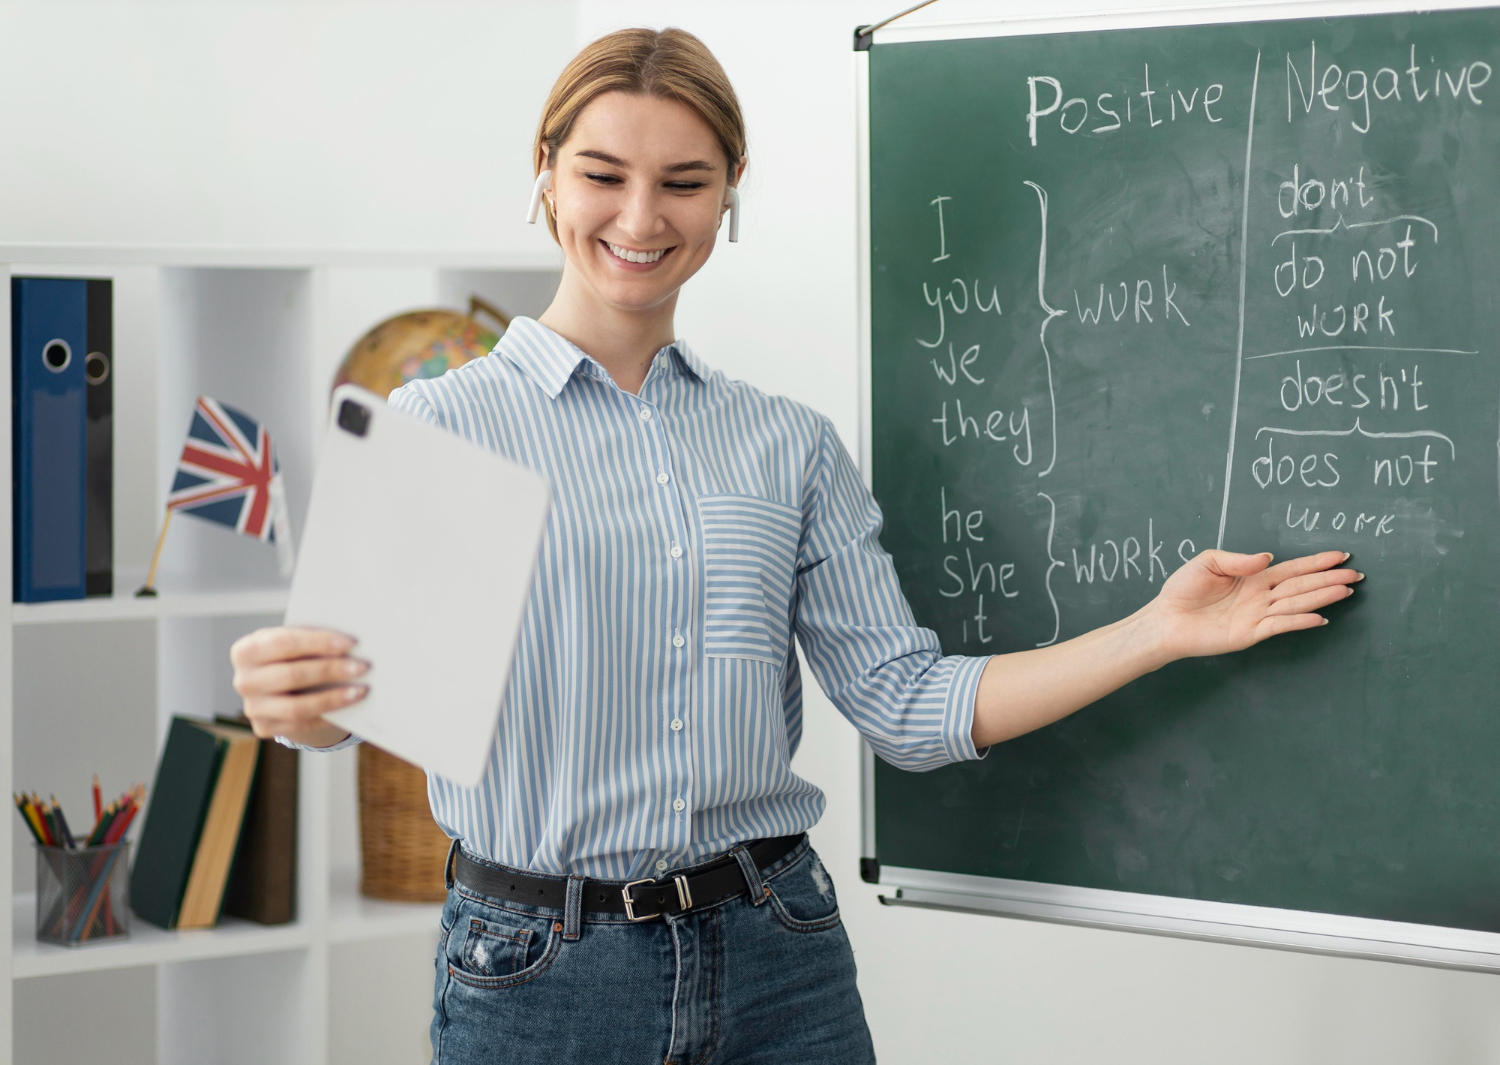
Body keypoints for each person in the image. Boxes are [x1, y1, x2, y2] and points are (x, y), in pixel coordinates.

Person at [230, 26, 1361, 1065]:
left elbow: (908, 706)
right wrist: (296, 706)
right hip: (541, 972)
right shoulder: (438, 427)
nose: (640, 218)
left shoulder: (786, 446)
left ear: (729, 197)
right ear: (544, 175)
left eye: (685, 181)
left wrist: (1156, 632)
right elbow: (352, 704)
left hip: (780, 952)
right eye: (603, 175)